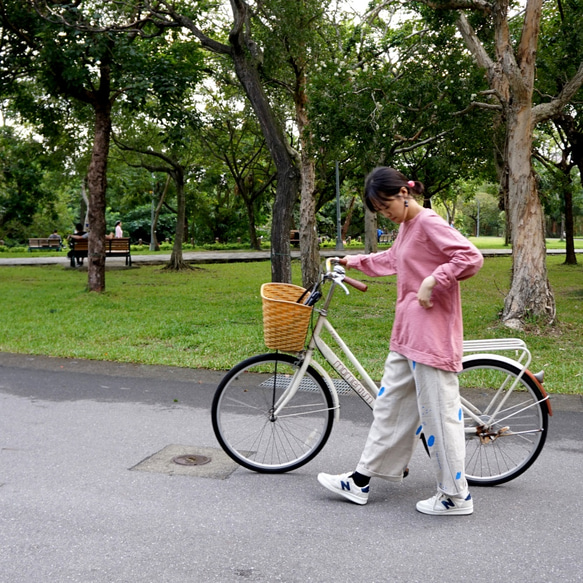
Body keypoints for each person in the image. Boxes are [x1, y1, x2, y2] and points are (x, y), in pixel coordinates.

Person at [317, 167, 484, 516]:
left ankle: (456, 497)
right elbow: (393, 259)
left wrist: (432, 281)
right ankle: (361, 480)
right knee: (389, 408)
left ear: (403, 193)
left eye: (385, 205)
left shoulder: (429, 222)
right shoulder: (408, 227)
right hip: (407, 335)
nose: (385, 213)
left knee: (438, 418)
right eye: (378, 210)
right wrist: (354, 261)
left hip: (431, 336)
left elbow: (470, 257)